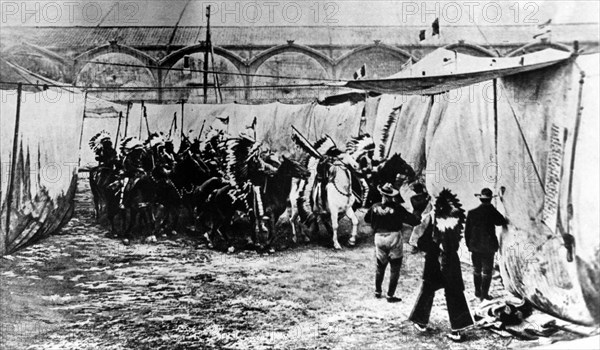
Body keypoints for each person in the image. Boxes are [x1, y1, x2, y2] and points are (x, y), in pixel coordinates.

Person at [409, 189, 474, 342]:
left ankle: (421, 321)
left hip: (435, 262)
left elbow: (423, 242)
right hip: (451, 262)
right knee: (455, 293)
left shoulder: (436, 225)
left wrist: (426, 244)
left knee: (428, 290)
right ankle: (458, 328)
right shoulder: (455, 223)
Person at [364, 183, 420, 303]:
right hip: (394, 237)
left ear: (381, 194)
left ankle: (378, 291)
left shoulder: (374, 206)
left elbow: (366, 219)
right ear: (392, 196)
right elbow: (414, 221)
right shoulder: (398, 208)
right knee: (395, 268)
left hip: (379, 237)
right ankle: (390, 295)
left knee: (380, 266)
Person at [465, 188, 508, 301]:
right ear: (490, 200)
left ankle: (477, 291)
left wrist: (469, 245)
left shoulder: (472, 213)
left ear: (480, 199)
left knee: (476, 270)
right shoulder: (491, 211)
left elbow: (467, 232)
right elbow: (501, 221)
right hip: (488, 247)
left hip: (475, 246)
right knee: (487, 272)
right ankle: (484, 294)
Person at [408, 183, 431, 254]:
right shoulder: (414, 198)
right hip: (418, 216)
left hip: (426, 215)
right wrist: (426, 199)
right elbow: (417, 205)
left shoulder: (425, 195)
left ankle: (423, 246)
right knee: (416, 231)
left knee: (425, 232)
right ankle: (414, 246)